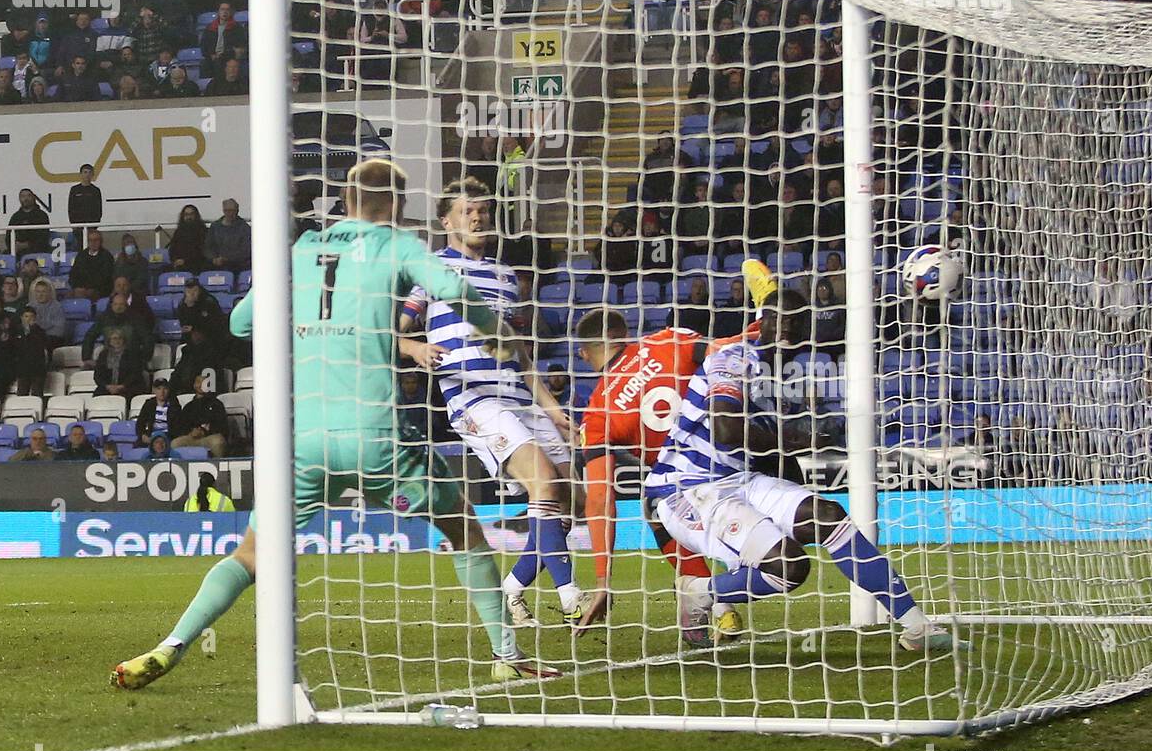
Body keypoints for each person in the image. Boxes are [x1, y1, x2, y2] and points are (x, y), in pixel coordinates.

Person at [113, 158, 555, 691]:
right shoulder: (399, 247)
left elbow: (239, 322)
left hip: (307, 441)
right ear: (397, 205)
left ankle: (170, 646)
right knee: (464, 530)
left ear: (344, 202)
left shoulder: (300, 252)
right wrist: (497, 331)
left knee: (251, 554)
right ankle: (506, 653)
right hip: (380, 438)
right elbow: (458, 292)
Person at [644, 288, 958, 652]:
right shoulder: (733, 359)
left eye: (797, 319)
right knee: (791, 568)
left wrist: (797, 501)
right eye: (780, 318)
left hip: (740, 481)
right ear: (764, 322)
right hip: (686, 489)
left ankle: (918, 628)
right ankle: (699, 592)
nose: (788, 326)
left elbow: (774, 454)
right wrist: (799, 439)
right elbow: (726, 429)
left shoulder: (783, 379)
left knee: (828, 516)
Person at [399, 177, 584, 629]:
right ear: (447, 221)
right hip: (473, 397)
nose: (477, 217)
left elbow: (515, 350)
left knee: (571, 499)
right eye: (467, 211)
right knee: (543, 481)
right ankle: (572, 596)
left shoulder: (504, 276)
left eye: (482, 210)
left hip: (519, 397)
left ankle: (513, 590)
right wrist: (416, 348)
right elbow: (396, 331)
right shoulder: (433, 268)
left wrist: (551, 406)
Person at [572, 259, 780, 640]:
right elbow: (724, 353)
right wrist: (759, 328)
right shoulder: (667, 340)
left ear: (585, 354)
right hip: (740, 450)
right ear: (624, 333)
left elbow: (600, 499)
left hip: (685, 481)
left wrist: (603, 580)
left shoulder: (597, 410)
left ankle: (715, 603)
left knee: (655, 505)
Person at [171, 376, 228, 457]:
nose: (201, 385)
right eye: (198, 382)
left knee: (218, 442)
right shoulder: (188, 406)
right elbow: (182, 425)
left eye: (204, 383)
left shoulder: (217, 404)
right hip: (191, 438)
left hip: (209, 437)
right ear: (194, 385)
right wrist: (191, 432)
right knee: (175, 444)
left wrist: (203, 431)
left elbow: (222, 426)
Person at [136, 376, 184, 447]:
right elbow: (140, 423)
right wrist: (143, 435)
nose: (162, 392)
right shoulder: (149, 404)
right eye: (159, 389)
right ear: (154, 390)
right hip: (152, 435)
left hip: (168, 436)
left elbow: (178, 426)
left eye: (165, 389)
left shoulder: (174, 405)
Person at [67, 163, 102, 249]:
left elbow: (99, 210)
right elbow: (70, 208)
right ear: (81, 174)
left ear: (93, 175)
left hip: (91, 228)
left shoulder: (96, 190)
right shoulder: (74, 190)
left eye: (89, 172)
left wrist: (94, 226)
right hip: (78, 228)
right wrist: (74, 225)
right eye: (85, 172)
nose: (87, 175)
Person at [167, 203, 209, 273]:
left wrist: (185, 261)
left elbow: (202, 251)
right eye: (186, 215)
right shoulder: (179, 232)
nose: (189, 217)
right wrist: (175, 260)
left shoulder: (203, 231)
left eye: (191, 214)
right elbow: (172, 249)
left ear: (196, 216)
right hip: (179, 263)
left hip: (197, 264)